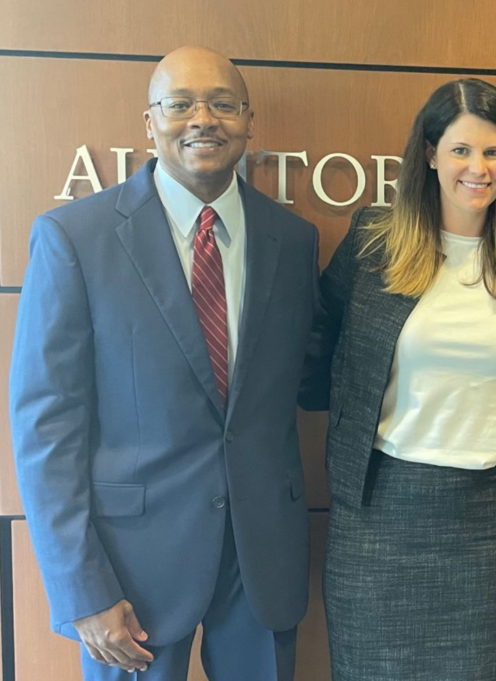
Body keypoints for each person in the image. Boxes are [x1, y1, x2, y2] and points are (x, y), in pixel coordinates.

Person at [9, 46, 319, 681]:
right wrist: (82, 588)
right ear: (148, 123)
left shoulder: (293, 240)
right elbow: (47, 428)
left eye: (222, 104)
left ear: (248, 120)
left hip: (262, 559)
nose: (202, 118)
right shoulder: (75, 238)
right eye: (180, 105)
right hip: (129, 572)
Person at [301, 78, 496, 681]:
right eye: (461, 150)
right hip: (381, 517)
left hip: (495, 523)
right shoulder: (375, 241)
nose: (478, 167)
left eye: (494, 152)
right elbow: (319, 346)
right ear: (429, 154)